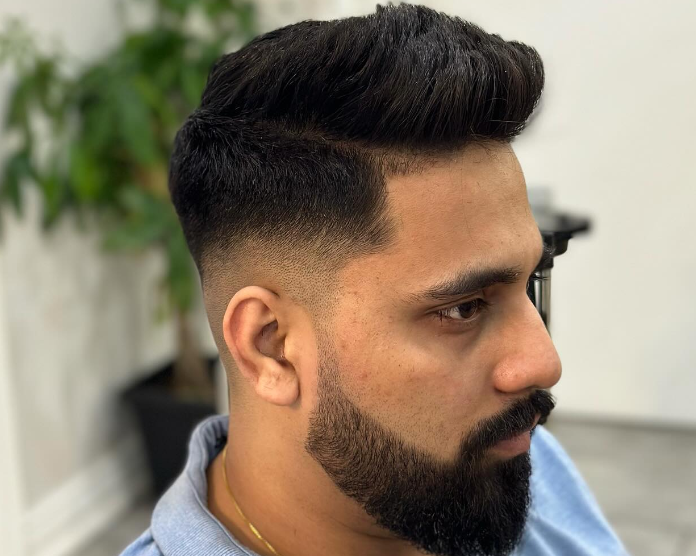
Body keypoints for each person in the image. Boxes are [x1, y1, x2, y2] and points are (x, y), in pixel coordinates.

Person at [120, 4, 628, 556]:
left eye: (532, 281)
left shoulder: (508, 462)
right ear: (271, 347)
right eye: (463, 308)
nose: (544, 363)